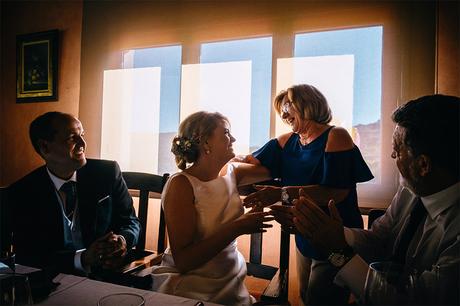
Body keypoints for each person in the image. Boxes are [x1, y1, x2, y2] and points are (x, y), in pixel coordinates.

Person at [292, 94, 460, 305]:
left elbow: (413, 300)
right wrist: (337, 233)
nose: (391, 156)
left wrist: (339, 251)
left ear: (423, 165)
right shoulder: (410, 192)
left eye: (397, 151)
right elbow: (381, 238)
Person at [239, 84, 374, 305]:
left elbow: (335, 192)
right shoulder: (286, 141)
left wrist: (280, 195)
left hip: (336, 235)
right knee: (305, 296)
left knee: (321, 299)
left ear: (308, 104)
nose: (283, 115)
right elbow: (251, 163)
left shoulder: (336, 136)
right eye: (281, 110)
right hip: (304, 232)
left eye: (287, 107)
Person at [150, 111, 274, 305]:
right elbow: (184, 261)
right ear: (205, 142)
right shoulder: (181, 185)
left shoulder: (233, 172)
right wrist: (239, 227)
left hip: (231, 277)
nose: (233, 138)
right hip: (192, 284)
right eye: (226, 133)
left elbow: (273, 169)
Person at [8, 112, 141, 276]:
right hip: (53, 280)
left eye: (82, 135)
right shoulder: (22, 193)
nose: (83, 143)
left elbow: (131, 222)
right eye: (72, 138)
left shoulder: (107, 173)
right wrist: (82, 258)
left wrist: (122, 241)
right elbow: (28, 256)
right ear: (45, 147)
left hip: (108, 274)